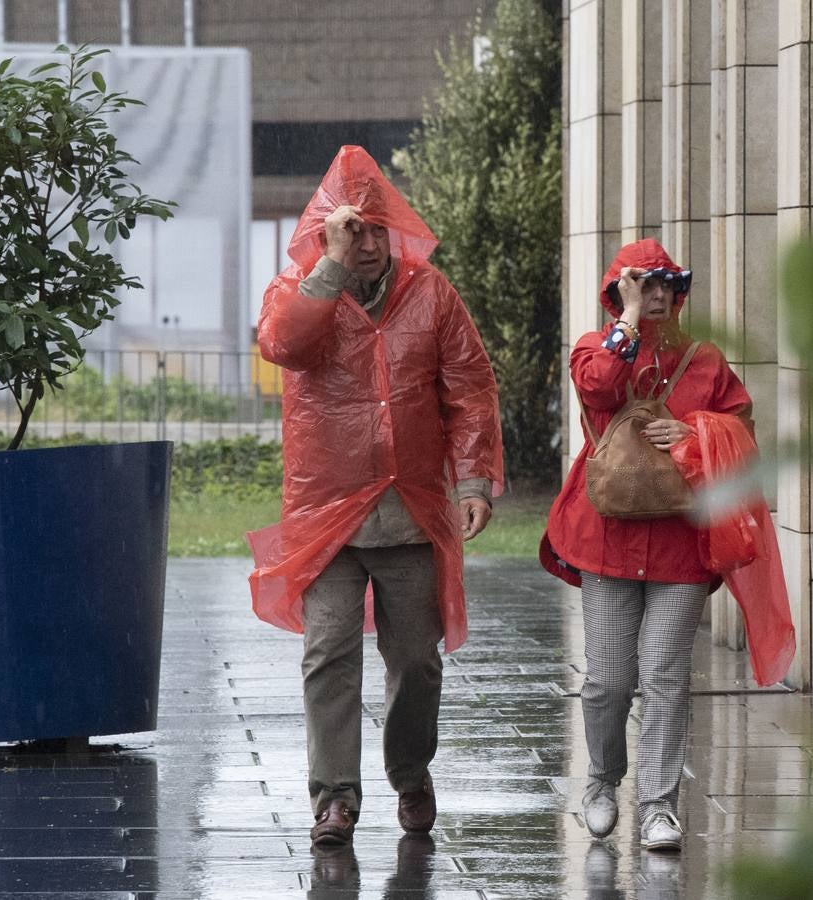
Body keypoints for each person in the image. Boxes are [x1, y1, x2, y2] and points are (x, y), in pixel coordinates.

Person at [247, 145, 504, 848]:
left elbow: (470, 388)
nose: (365, 242)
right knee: (328, 652)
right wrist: (325, 271)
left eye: (373, 227)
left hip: (412, 508)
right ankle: (334, 797)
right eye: (349, 228)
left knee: (417, 659)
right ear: (326, 233)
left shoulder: (432, 294)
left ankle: (409, 772)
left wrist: (475, 479)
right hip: (328, 513)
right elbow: (283, 345)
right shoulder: (297, 289)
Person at [539, 238, 755, 853]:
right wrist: (627, 323)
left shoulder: (707, 361)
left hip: (683, 545)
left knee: (664, 676)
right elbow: (599, 389)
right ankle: (603, 783)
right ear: (617, 292)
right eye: (642, 283)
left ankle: (659, 805)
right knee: (607, 678)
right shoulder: (596, 347)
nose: (657, 293)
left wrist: (696, 431)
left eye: (667, 284)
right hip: (606, 538)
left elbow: (742, 429)